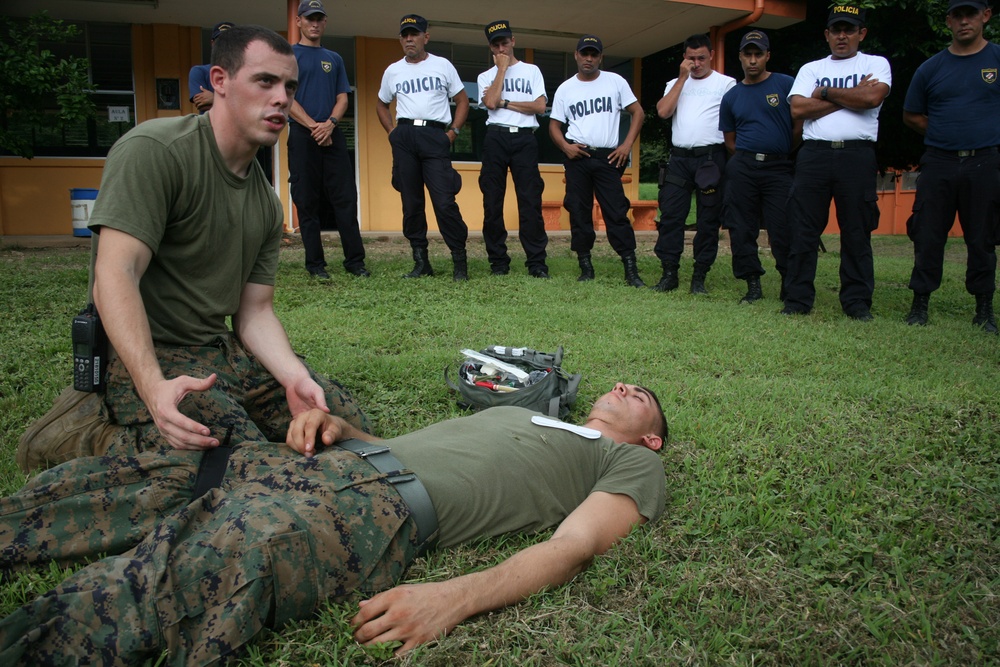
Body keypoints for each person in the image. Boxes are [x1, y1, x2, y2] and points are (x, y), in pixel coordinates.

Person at [0, 383, 669, 663]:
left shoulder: (627, 462)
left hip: (374, 510)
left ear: (653, 440)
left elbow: (575, 545)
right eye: (625, 383)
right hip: (339, 459)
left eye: (645, 398)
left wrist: (455, 596)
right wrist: (343, 428)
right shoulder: (524, 413)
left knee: (201, 565)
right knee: (137, 482)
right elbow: (417, 444)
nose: (629, 389)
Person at [86, 25, 371, 458]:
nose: (282, 98)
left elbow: (254, 312)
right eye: (265, 81)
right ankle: (103, 434)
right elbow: (114, 274)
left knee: (336, 421)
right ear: (219, 81)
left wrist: (294, 377)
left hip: (220, 353)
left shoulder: (265, 203)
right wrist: (152, 387)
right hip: (147, 356)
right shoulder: (155, 152)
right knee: (238, 455)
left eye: (289, 86)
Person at [782, 5, 891, 320]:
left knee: (856, 230)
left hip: (857, 156)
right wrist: (852, 95)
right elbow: (798, 109)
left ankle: (856, 303)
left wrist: (827, 93)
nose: (842, 36)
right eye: (836, 30)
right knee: (803, 229)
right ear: (827, 34)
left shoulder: (876, 64)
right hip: (814, 155)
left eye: (849, 30)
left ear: (861, 33)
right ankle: (797, 300)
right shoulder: (811, 68)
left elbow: (872, 99)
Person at [901, 0, 999, 333]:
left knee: (982, 236)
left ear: (985, 16)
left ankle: (984, 309)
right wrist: (944, 132)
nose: (964, 21)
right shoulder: (930, 68)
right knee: (928, 234)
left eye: (970, 13)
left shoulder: (997, 59)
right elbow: (911, 115)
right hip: (939, 161)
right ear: (948, 21)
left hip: (986, 161)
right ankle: (920, 304)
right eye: (957, 15)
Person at [376, 15, 471, 281]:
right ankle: (421, 262)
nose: (409, 39)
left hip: (434, 135)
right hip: (404, 137)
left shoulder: (442, 65)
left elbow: (462, 101)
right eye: (405, 35)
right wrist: (392, 132)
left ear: (425, 37)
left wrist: (453, 132)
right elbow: (382, 103)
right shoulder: (393, 70)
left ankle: (459, 263)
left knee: (444, 201)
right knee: (411, 203)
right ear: (400, 39)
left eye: (414, 34)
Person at [549, 35, 646, 287]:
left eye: (594, 54)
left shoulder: (615, 81)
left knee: (616, 211)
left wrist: (626, 145)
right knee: (579, 211)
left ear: (600, 57)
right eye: (584, 53)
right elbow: (554, 126)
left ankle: (630, 269)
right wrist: (565, 147)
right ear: (576, 55)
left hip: (607, 155)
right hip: (578, 156)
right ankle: (586, 267)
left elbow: (638, 112)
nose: (588, 58)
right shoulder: (565, 88)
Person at [288, 0, 370, 280]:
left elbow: (343, 97)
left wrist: (330, 124)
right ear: (299, 21)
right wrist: (314, 127)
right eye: (309, 18)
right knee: (307, 200)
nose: (314, 23)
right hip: (303, 135)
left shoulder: (334, 58)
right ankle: (316, 265)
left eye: (319, 19)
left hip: (331, 134)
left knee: (345, 198)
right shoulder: (288, 55)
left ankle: (355, 262)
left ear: (325, 23)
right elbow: (286, 97)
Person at [718, 30, 800, 304]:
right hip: (743, 167)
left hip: (779, 168)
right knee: (741, 227)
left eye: (758, 54)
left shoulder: (785, 84)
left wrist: (778, 151)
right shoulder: (731, 96)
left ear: (767, 56)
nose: (753, 60)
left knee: (783, 226)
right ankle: (752, 284)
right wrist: (749, 157)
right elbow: (730, 140)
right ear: (740, 57)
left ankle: (789, 284)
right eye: (747, 54)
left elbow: (798, 126)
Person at [653, 34, 736, 295]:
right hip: (679, 159)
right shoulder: (675, 82)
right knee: (670, 217)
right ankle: (669, 273)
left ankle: (699, 275)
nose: (697, 63)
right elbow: (664, 112)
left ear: (711, 55)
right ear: (684, 58)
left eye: (701, 58)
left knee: (708, 219)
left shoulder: (726, 84)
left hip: (711, 158)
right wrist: (682, 78)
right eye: (691, 58)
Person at [477, 20, 550, 278]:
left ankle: (537, 263)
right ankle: (498, 262)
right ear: (491, 48)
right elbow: (489, 101)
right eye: (496, 45)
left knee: (530, 202)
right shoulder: (485, 76)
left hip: (525, 140)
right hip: (495, 138)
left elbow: (540, 107)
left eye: (505, 43)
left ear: (513, 41)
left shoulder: (532, 71)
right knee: (492, 202)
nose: (501, 49)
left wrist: (505, 102)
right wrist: (501, 70)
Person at [187, 21, 235, 114]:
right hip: (210, 128)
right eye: (220, 41)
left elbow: (251, 106)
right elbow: (202, 103)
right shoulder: (199, 71)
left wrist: (214, 99)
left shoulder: (245, 73)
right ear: (213, 43)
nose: (225, 45)